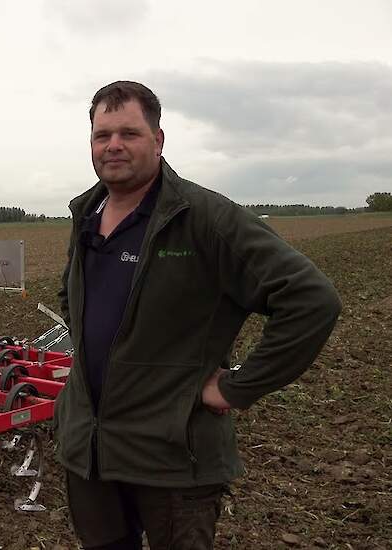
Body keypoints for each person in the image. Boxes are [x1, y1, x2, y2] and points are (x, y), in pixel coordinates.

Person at [53, 81, 341, 549]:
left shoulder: (205, 217)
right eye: (102, 135)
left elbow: (311, 299)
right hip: (90, 453)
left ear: (159, 139)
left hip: (173, 456)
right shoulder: (87, 213)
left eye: (129, 133)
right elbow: (74, 296)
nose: (114, 146)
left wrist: (236, 386)